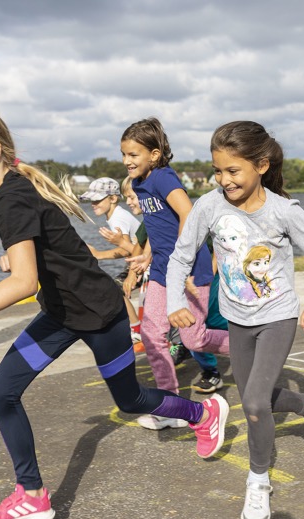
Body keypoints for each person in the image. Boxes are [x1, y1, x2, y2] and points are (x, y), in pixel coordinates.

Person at [0, 107, 229, 519]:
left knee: (129, 400)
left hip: (98, 314)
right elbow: (33, 247)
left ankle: (204, 415)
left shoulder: (13, 195)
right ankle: (33, 496)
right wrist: (17, 251)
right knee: (1, 392)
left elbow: (23, 282)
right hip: (61, 313)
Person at [166, 120, 304, 519]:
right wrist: (173, 301)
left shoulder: (283, 210)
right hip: (238, 319)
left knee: (255, 404)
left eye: (232, 171)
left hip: (278, 316)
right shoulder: (209, 206)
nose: (224, 180)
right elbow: (179, 257)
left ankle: (258, 481)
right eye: (218, 170)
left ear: (261, 164)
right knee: (257, 398)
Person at [120, 117, 229, 430]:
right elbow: (159, 227)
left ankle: (250, 342)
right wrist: (148, 256)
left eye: (133, 154)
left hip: (189, 271)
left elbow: (188, 215)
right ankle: (170, 406)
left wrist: (182, 266)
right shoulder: (140, 184)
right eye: (124, 154)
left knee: (194, 339)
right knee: (152, 336)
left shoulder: (164, 178)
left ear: (154, 154)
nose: (127, 161)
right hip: (161, 272)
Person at [79, 176, 142, 344]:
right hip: (136, 262)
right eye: (91, 200)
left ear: (113, 199)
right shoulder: (116, 215)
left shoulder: (117, 218)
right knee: (115, 289)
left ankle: (136, 330)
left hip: (142, 264)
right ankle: (135, 328)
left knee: (114, 290)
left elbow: (125, 248)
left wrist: (98, 254)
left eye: (97, 200)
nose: (93, 204)